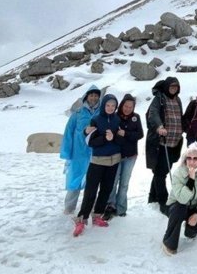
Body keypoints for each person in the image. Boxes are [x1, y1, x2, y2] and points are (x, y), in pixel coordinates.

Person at [73, 94, 123, 237]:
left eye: (113, 106)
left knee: (106, 190)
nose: (110, 108)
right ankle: (82, 219)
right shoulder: (96, 120)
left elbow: (120, 141)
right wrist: (104, 138)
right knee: (91, 190)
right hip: (98, 160)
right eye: (108, 105)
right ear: (103, 105)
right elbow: (90, 141)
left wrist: (116, 137)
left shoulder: (117, 120)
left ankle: (97, 216)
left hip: (114, 160)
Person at [161, 146, 197, 255]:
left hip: (193, 207)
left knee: (192, 231)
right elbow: (182, 199)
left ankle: (190, 229)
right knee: (180, 208)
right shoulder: (178, 173)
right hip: (176, 206)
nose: (192, 161)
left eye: (195, 158)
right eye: (189, 158)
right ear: (185, 160)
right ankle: (169, 242)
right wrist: (191, 179)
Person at [60, 84, 101, 215]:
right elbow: (68, 133)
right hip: (79, 153)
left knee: (93, 181)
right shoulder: (77, 113)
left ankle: (92, 206)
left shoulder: (102, 113)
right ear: (86, 97)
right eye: (91, 95)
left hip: (95, 152)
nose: (93, 98)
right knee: (75, 180)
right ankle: (69, 207)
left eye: (96, 95)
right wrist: (67, 152)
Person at [146, 77, 184, 214]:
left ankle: (152, 196)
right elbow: (153, 113)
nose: (174, 88)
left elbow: (180, 117)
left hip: (175, 142)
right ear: (167, 86)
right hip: (162, 142)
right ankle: (163, 201)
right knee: (161, 173)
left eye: (176, 86)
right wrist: (159, 126)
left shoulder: (177, 100)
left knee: (161, 170)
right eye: (172, 86)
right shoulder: (160, 98)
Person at [105, 94, 144, 219]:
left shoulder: (136, 118)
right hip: (116, 154)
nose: (127, 109)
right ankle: (110, 205)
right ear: (121, 105)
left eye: (130, 107)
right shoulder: (115, 116)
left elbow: (140, 134)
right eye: (126, 106)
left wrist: (126, 133)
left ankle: (121, 208)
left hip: (130, 155)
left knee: (124, 182)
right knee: (113, 181)